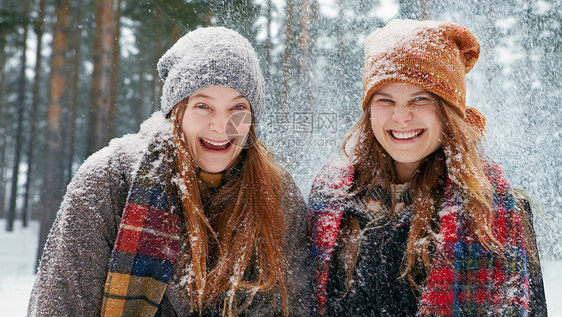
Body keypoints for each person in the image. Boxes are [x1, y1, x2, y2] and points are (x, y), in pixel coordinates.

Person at [28, 27, 313, 316]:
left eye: (238, 107)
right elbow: (60, 305)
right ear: (177, 112)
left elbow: (296, 305)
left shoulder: (278, 195)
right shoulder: (109, 182)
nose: (220, 125)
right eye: (203, 106)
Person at [308, 19, 547, 316]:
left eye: (420, 99)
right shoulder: (332, 200)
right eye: (385, 99)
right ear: (369, 111)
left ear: (448, 111)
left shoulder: (495, 210)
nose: (401, 116)